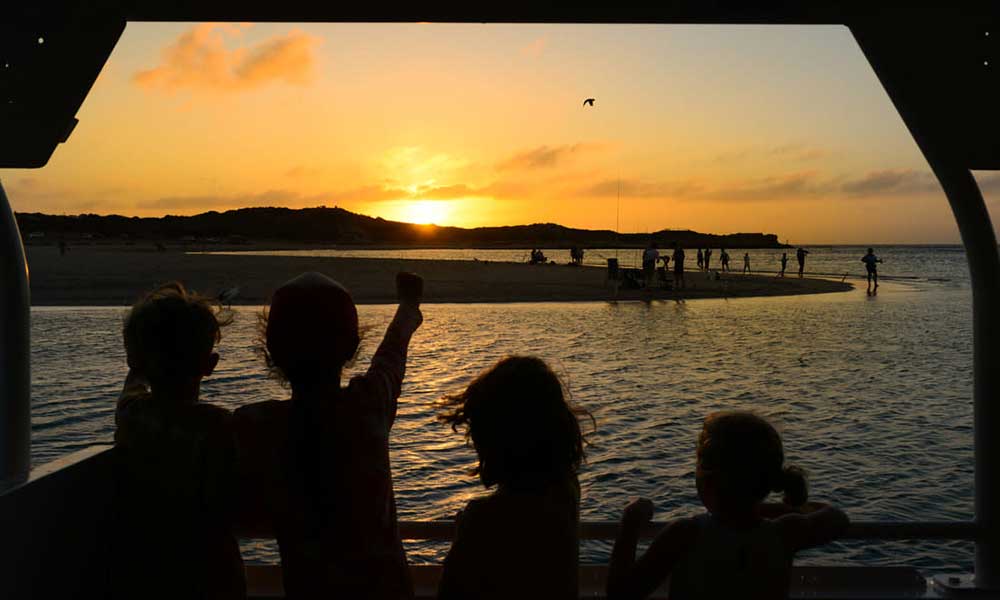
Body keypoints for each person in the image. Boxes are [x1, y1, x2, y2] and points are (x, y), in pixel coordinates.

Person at [234, 271, 423, 600]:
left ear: (272, 352)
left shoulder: (255, 425)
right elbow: (392, 354)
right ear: (351, 348)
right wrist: (408, 305)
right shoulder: (368, 407)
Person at [607, 411, 849, 600]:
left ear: (707, 478)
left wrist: (629, 523)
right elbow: (837, 518)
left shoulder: (685, 534)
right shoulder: (786, 532)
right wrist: (782, 510)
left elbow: (622, 594)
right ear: (769, 481)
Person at [112, 282, 245, 600]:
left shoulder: (133, 414)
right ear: (209, 365)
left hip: (148, 573)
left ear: (134, 360)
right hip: (212, 575)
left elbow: (131, 388)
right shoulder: (219, 426)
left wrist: (137, 368)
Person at [437, 356, 591, 600]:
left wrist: (464, 533)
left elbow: (451, 591)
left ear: (492, 437)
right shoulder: (566, 490)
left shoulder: (482, 519)